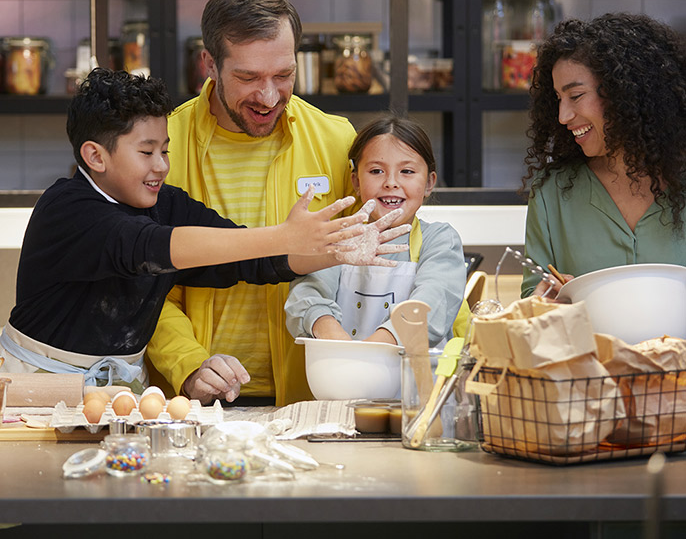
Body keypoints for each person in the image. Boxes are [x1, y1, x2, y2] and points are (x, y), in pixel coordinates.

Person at [0, 69, 407, 390]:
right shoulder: (67, 208)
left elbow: (248, 259)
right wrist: (284, 235)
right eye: (146, 152)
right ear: (95, 156)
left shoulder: (166, 203)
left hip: (120, 389)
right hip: (38, 387)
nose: (160, 165)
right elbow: (151, 246)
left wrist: (332, 249)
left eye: (165, 150)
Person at [146, 0, 373, 406]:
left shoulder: (338, 140)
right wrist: (189, 363)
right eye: (248, 77)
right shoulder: (163, 148)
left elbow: (368, 268)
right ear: (209, 64)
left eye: (284, 75)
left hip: (315, 399)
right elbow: (146, 285)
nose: (269, 97)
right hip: (194, 404)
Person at [521, 12, 686, 298]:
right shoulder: (552, 194)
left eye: (576, 96)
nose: (563, 116)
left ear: (624, 92)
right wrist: (546, 299)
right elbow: (531, 304)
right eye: (558, 99)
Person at [285, 115, 468, 346]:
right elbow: (306, 296)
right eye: (376, 171)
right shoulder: (339, 238)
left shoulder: (440, 241)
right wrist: (333, 336)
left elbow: (432, 303)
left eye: (407, 172)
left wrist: (373, 350)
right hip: (343, 375)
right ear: (357, 182)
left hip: (418, 381)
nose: (391, 182)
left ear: (430, 183)